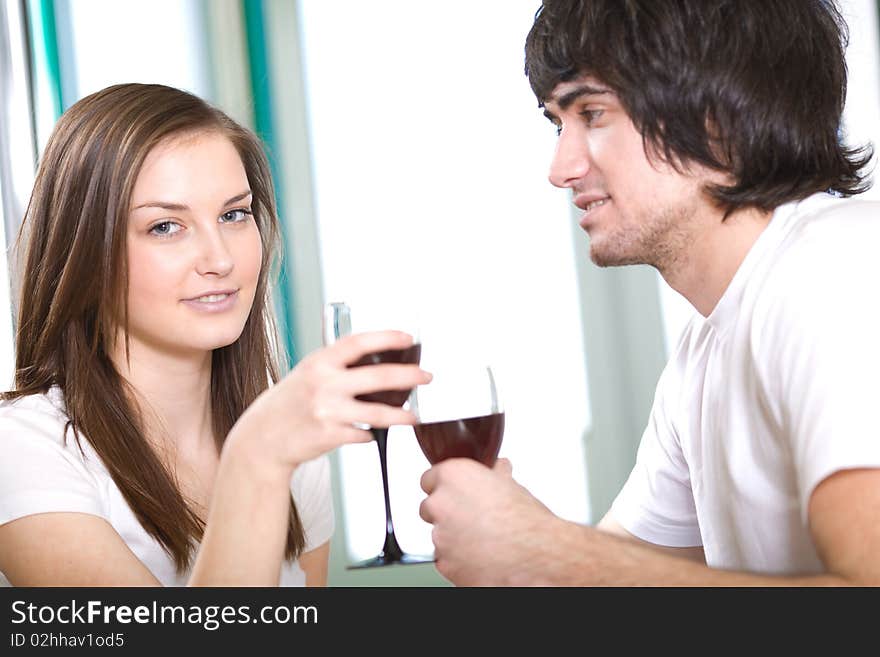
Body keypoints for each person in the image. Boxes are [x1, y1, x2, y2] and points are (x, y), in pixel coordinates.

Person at [419, 0, 880, 585]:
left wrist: (548, 552)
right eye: (559, 124)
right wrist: (523, 545)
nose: (560, 169)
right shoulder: (704, 349)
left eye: (593, 113)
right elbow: (621, 576)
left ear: (720, 115)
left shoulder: (838, 269)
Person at [0, 83, 431, 586]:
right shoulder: (23, 449)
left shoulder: (286, 448)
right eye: (165, 227)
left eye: (233, 215)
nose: (221, 259)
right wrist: (255, 460)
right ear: (87, 253)